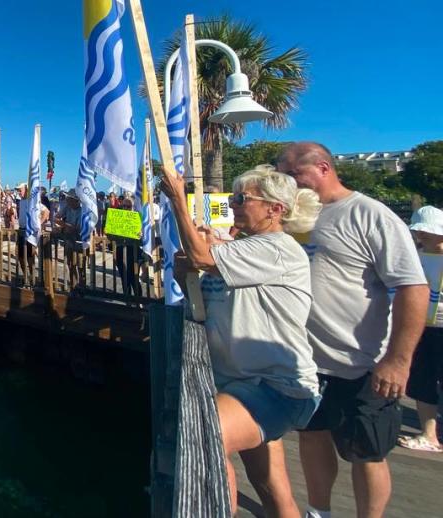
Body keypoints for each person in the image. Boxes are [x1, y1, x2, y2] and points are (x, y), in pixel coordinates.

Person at [160, 164, 323, 517]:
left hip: (275, 386)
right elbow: (200, 296)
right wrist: (184, 268)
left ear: (274, 209)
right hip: (239, 384)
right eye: (233, 197)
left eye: (242, 198)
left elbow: (204, 257)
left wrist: (177, 201)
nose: (233, 204)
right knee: (271, 490)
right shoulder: (242, 251)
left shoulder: (278, 249)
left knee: (204, 437)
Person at [276, 142, 429, 518]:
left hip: (362, 362)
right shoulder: (293, 216)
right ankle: (319, 511)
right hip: (306, 361)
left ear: (324, 168)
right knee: (312, 438)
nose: (288, 183)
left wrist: (397, 360)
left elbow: (414, 287)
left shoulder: (370, 215)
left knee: (367, 452)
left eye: (293, 174)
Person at [398, 205, 443, 453]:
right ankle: (429, 434)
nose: (421, 235)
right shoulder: (414, 256)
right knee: (423, 379)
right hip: (421, 326)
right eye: (418, 231)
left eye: (427, 231)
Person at [56, 189, 85, 292]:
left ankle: (81, 285)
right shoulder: (66, 207)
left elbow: (76, 228)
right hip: (69, 238)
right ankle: (73, 285)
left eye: (69, 198)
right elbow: (57, 217)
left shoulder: (82, 210)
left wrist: (63, 224)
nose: (67, 199)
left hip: (80, 240)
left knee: (81, 264)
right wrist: (65, 225)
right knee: (70, 263)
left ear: (75, 200)